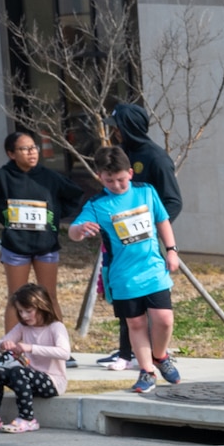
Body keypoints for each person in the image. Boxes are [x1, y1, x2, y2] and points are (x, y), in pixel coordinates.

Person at [68, 146, 181, 396]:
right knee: (136, 323)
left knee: (164, 319)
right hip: (122, 277)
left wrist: (171, 249)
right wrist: (80, 230)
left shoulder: (146, 192)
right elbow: (73, 231)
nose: (117, 185)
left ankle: (160, 356)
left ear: (130, 173)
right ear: (100, 178)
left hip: (153, 269)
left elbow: (162, 220)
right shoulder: (97, 205)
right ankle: (146, 371)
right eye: (110, 180)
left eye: (121, 179)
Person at [0, 129, 84, 332]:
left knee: (49, 295)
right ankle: (11, 349)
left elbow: (75, 195)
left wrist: (56, 214)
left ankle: (59, 347)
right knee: (16, 297)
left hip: (46, 245)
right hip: (16, 246)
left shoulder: (49, 177)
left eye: (34, 147)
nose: (32, 152)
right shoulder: (1, 177)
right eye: (24, 149)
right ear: (11, 154)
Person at [97, 104, 184, 374]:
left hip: (148, 244)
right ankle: (127, 352)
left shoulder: (156, 158)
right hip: (119, 244)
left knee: (157, 310)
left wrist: (155, 232)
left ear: (128, 127)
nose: (113, 131)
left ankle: (155, 355)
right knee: (127, 300)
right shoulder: (122, 155)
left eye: (117, 126)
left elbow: (173, 201)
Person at [0, 283, 69, 433]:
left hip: (53, 381)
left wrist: (30, 348)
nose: (24, 316)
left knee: (18, 371)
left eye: (28, 311)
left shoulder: (56, 327)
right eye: (20, 311)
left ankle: (28, 419)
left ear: (42, 306)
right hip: (27, 380)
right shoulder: (24, 327)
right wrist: (5, 344)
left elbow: (64, 353)